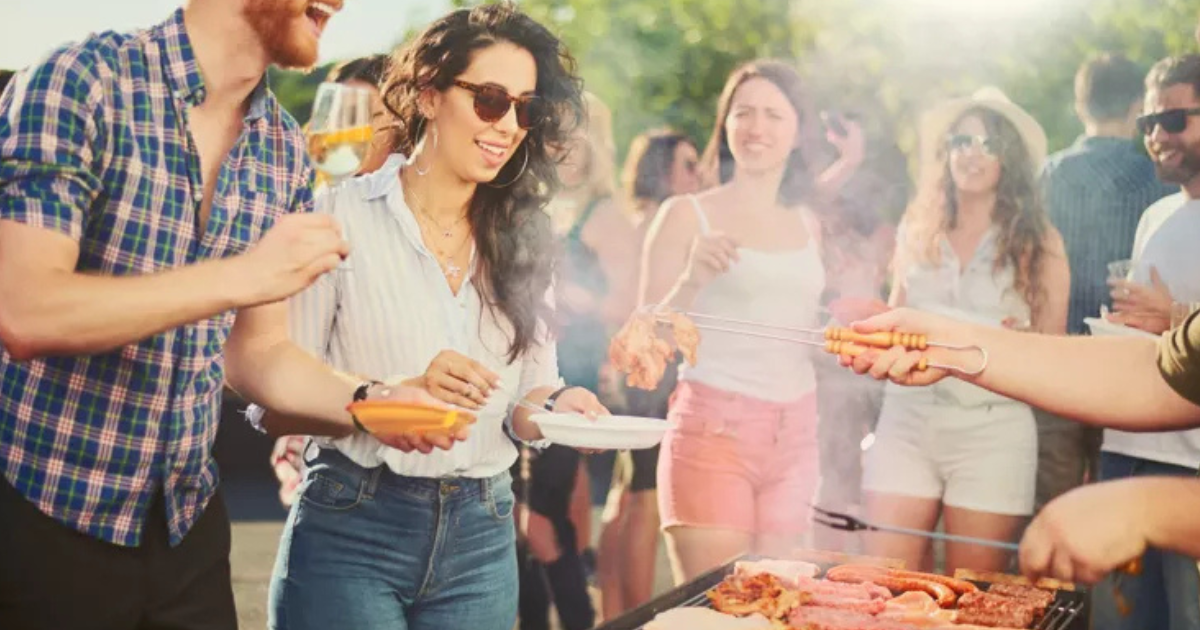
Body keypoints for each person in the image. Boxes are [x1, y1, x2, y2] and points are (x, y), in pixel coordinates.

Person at [0, 2, 441, 629]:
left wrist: (375, 401)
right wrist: (243, 274)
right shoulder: (82, 82)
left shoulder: (284, 146)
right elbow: (23, 309)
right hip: (42, 518)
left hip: (189, 528)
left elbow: (257, 355)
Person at [252, 6, 608, 630]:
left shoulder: (528, 236)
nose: (508, 125)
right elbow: (273, 403)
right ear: (429, 93)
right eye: (491, 100)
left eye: (524, 108)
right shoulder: (337, 216)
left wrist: (559, 408)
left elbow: (529, 400)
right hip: (351, 526)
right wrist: (387, 400)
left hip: (483, 532)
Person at [640, 59, 859, 583]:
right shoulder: (686, 215)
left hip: (797, 434)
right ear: (726, 124)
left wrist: (838, 336)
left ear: (797, 131)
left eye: (772, 115)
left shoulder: (810, 223)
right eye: (743, 113)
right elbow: (642, 346)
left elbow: (800, 326)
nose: (756, 127)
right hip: (712, 433)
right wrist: (691, 279)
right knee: (721, 609)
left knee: (782, 604)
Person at [858, 88, 1069, 575]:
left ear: (1009, 160)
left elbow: (1055, 358)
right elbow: (894, 323)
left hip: (993, 431)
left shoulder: (1041, 242)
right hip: (906, 423)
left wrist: (1012, 346)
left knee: (971, 599)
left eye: (988, 144)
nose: (971, 153)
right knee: (885, 583)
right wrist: (858, 330)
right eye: (961, 141)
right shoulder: (917, 226)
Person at [1088, 55, 1200, 630]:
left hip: (1192, 470)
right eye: (1149, 123)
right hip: (1128, 452)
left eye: (1176, 119)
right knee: (1121, 622)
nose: (1158, 136)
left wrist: (1173, 316)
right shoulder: (1155, 214)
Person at [1037, 53, 1174, 514]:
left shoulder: (1050, 175)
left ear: (1080, 106)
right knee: (1116, 509)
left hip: (1055, 363)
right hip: (1126, 368)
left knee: (1054, 506)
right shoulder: (1158, 181)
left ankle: (1057, 588)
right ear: (1139, 106)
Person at [270, 52, 394, 509]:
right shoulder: (315, 204)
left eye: (372, 115)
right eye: (345, 114)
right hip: (326, 438)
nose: (358, 131)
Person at [594, 128, 702, 618]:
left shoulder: (640, 219)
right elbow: (634, 304)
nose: (698, 176)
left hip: (633, 370)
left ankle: (612, 613)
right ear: (665, 170)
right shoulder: (663, 221)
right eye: (689, 166)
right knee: (647, 501)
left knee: (626, 493)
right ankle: (635, 617)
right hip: (653, 370)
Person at [809, 109, 907, 554]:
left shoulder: (887, 233)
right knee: (836, 466)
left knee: (860, 469)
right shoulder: (823, 224)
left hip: (873, 353)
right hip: (834, 357)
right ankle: (832, 553)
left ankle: (849, 548)